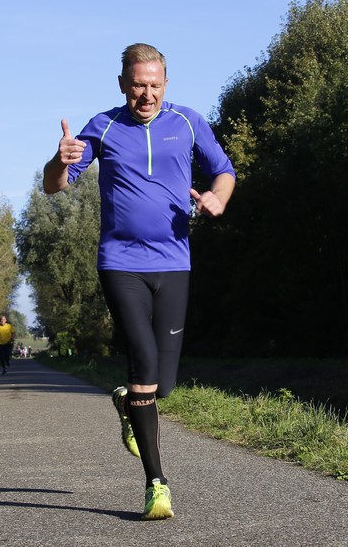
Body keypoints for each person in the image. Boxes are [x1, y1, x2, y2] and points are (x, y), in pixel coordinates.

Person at [42, 42, 235, 520]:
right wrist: (59, 161)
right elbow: (54, 186)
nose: (146, 95)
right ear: (122, 84)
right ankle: (156, 484)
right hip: (120, 263)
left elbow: (224, 171)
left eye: (154, 85)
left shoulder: (187, 122)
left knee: (161, 386)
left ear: (165, 84)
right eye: (137, 86)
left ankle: (130, 403)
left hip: (174, 263)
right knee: (143, 361)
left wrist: (218, 197)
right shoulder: (103, 126)